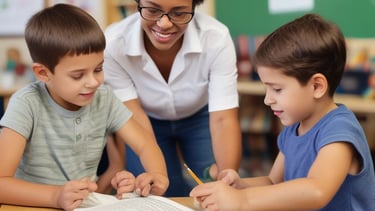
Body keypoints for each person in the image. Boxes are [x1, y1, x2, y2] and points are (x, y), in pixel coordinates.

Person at [190, 13, 375, 211]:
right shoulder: (293, 127)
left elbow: (317, 190)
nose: (267, 99)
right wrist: (238, 186)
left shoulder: (339, 132)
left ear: (317, 86)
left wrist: (242, 201)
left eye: (277, 89)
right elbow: (273, 183)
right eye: (266, 88)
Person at [0, 4, 168, 211]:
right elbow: (2, 183)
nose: (93, 82)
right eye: (78, 75)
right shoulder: (26, 103)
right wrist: (56, 196)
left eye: (98, 69)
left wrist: (157, 174)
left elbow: (145, 144)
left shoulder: (104, 99)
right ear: (43, 73)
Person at [103, 0, 242, 196]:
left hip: (200, 117)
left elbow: (222, 119)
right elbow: (133, 115)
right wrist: (156, 174)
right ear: (137, 4)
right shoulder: (113, 43)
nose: (165, 24)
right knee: (157, 190)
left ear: (194, 7)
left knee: (210, 183)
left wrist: (227, 181)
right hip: (144, 119)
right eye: (152, 10)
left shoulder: (216, 38)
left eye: (179, 13)